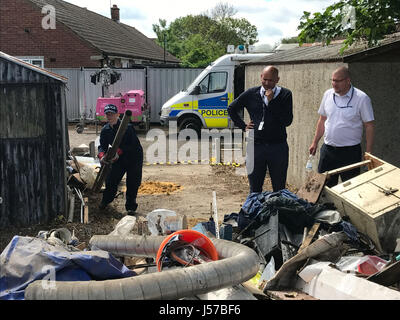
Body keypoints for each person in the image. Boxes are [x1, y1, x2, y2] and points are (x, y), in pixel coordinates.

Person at [228, 66, 293, 193]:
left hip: (278, 147)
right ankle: (255, 211)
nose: (267, 83)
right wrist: (243, 126)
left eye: (271, 81)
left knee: (279, 187)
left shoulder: (285, 95)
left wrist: (272, 102)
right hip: (256, 147)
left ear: (277, 80)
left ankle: (277, 212)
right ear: (261, 77)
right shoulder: (251, 93)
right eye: (265, 80)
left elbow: (287, 121)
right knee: (255, 187)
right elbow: (231, 108)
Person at [309, 66, 375, 187]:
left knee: (351, 188)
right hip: (328, 151)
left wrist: (368, 151)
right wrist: (315, 142)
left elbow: (369, 126)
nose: (334, 84)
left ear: (348, 81)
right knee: (324, 187)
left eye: (338, 81)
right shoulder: (328, 95)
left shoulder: (361, 98)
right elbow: (322, 120)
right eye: (333, 80)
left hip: (350, 153)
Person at [98, 104, 143, 215]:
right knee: (111, 180)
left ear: (118, 114)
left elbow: (133, 146)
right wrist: (102, 155)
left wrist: (118, 152)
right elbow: (102, 146)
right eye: (108, 114)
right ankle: (105, 201)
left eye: (112, 114)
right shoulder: (105, 130)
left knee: (132, 183)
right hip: (118, 160)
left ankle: (131, 207)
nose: (110, 117)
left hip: (133, 158)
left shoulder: (127, 128)